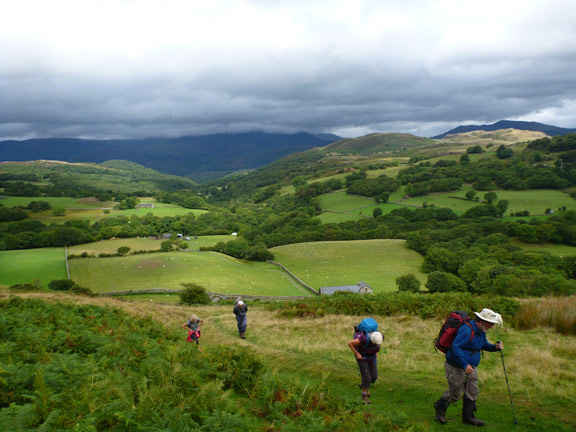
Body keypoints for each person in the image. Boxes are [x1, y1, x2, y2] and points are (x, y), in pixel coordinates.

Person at [433, 308, 504, 426]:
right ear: (481, 320)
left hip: (471, 367)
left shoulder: (481, 330)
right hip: (456, 366)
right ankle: (439, 407)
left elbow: (483, 344)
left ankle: (468, 418)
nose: (492, 326)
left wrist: (494, 347)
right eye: (490, 323)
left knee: (472, 390)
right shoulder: (467, 330)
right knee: (455, 394)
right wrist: (465, 364)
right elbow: (456, 347)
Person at [347, 329, 383, 405]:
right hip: (362, 358)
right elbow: (349, 343)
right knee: (367, 378)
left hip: (371, 357)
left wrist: (376, 351)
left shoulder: (379, 336)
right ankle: (364, 396)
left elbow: (378, 345)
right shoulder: (362, 340)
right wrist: (357, 354)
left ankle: (363, 385)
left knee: (374, 377)